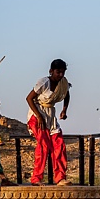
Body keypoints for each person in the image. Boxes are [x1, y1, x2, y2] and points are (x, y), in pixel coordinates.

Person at [26, 58, 72, 186]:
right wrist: (39, 116)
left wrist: (64, 110)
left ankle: (60, 178)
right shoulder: (43, 83)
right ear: (51, 71)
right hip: (37, 114)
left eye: (63, 72)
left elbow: (66, 95)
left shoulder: (63, 83)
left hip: (50, 115)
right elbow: (29, 98)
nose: (61, 75)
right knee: (43, 145)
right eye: (58, 72)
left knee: (59, 145)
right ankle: (36, 178)